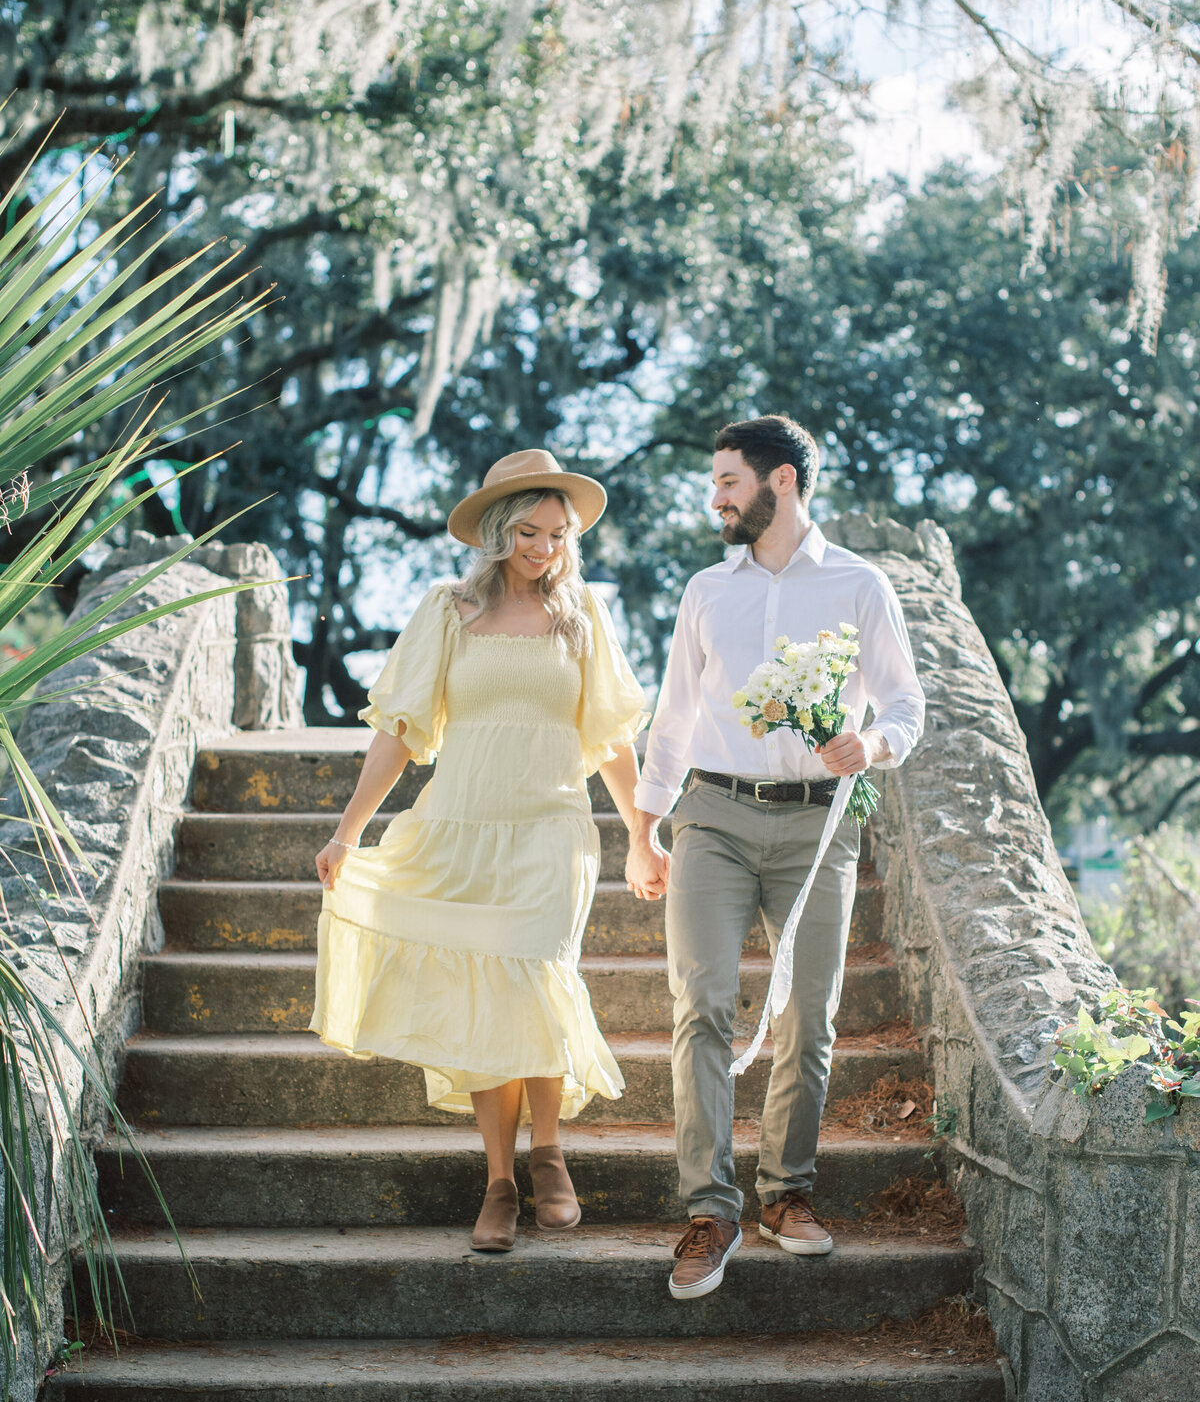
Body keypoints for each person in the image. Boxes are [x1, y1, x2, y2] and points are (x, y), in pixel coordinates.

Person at [309, 448, 648, 1253]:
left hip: (552, 831)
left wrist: (643, 832)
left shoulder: (583, 614)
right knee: (488, 1001)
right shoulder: (446, 610)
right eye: (529, 532)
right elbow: (398, 731)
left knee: (535, 972)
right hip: (459, 828)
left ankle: (551, 1155)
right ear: (497, 533)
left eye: (558, 534)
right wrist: (347, 829)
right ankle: (500, 1181)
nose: (544, 548)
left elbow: (610, 738)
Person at [625, 416, 926, 1299]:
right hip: (711, 818)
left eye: (727, 480)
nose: (715, 496)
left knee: (808, 1017)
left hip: (817, 826)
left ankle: (786, 1194)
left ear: (782, 481)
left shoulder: (859, 585)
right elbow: (674, 716)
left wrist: (871, 745)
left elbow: (907, 702)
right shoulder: (706, 591)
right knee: (702, 1005)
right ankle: (709, 1211)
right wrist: (644, 830)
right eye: (715, 481)